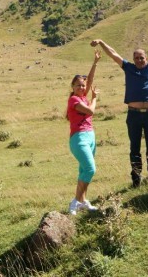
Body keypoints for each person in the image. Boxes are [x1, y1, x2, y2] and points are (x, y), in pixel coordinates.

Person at [91, 29, 148, 187]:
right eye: (136, 58)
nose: (139, 60)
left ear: (146, 58)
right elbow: (113, 54)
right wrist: (101, 42)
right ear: (133, 59)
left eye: (142, 57)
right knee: (135, 147)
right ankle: (136, 178)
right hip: (134, 115)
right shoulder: (128, 68)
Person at [67, 49, 101, 215]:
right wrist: (94, 98)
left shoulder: (82, 95)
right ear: (72, 87)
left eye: (83, 85)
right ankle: (75, 202)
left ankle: (82, 200)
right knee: (90, 169)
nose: (81, 87)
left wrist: (95, 62)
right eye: (78, 85)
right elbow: (90, 111)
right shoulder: (74, 99)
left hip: (90, 136)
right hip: (78, 137)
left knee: (83, 170)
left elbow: (90, 79)